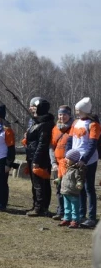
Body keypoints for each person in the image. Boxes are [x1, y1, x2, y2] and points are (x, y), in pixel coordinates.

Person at [66, 97, 100, 228]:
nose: (76, 112)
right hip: (75, 159)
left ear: (85, 110)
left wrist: (84, 160)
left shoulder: (93, 124)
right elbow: (70, 140)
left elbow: (92, 145)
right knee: (78, 188)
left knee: (88, 187)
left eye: (78, 110)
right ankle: (80, 215)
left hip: (88, 160)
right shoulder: (75, 123)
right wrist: (68, 155)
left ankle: (91, 217)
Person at [24, 97, 54, 217]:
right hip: (32, 155)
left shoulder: (45, 124)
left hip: (40, 158)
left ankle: (40, 208)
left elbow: (42, 144)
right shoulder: (37, 122)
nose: (33, 109)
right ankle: (36, 204)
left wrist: (36, 160)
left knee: (40, 183)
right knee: (35, 183)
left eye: (35, 107)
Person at [49, 105, 73, 221]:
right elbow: (52, 147)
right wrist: (53, 162)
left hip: (69, 163)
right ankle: (60, 210)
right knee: (59, 188)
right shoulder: (55, 129)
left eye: (64, 114)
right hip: (57, 164)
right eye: (60, 114)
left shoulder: (74, 127)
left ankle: (71, 213)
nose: (62, 116)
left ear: (69, 115)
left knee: (69, 189)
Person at [57, 149, 86, 228]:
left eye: (68, 158)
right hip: (65, 191)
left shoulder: (77, 170)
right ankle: (67, 218)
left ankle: (75, 220)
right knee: (67, 206)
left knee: (74, 207)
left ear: (73, 160)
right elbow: (64, 177)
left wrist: (79, 184)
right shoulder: (66, 167)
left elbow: (79, 179)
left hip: (73, 192)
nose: (66, 159)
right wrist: (58, 180)